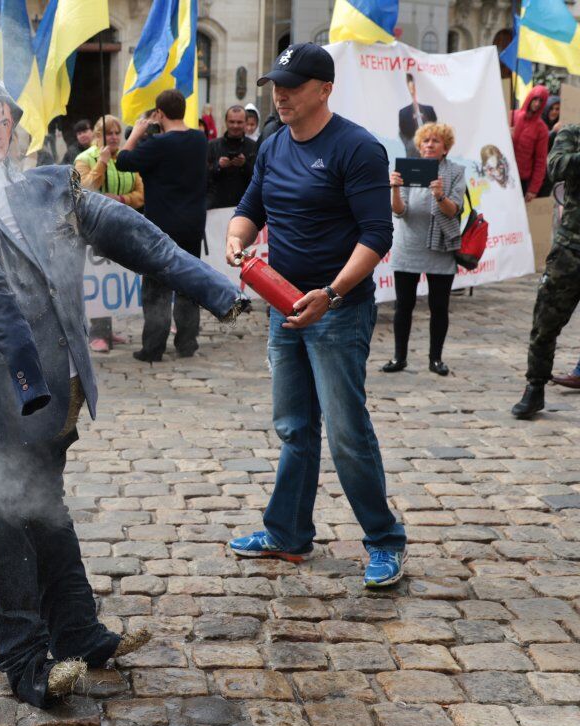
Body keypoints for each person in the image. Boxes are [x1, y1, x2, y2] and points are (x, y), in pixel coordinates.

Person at [0, 73, 249, 710]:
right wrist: (26, 379)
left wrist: (214, 290)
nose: (2, 133)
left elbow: (137, 237)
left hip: (47, 394)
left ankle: (76, 630)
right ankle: (24, 661)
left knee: (45, 508)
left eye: (6, 121)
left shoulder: (44, 186)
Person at [224, 43, 407, 588]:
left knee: (347, 432)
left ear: (324, 90)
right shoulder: (274, 143)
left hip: (338, 311)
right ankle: (287, 533)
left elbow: (377, 235)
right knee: (294, 428)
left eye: (293, 85)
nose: (280, 94)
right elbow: (250, 209)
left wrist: (331, 291)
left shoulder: (358, 149)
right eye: (276, 84)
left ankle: (384, 540)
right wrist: (238, 241)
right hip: (284, 307)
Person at [116, 88, 209, 361]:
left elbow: (123, 161)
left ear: (159, 113)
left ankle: (153, 348)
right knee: (188, 286)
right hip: (192, 224)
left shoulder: (157, 145)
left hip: (161, 228)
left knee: (156, 289)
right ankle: (187, 343)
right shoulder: (200, 140)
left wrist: (136, 133)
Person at [383, 123, 465, 377]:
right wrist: (395, 189)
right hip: (408, 247)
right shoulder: (407, 169)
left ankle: (436, 359)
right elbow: (400, 211)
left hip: (440, 248)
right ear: (419, 146)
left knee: (439, 306)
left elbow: (455, 210)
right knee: (403, 306)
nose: (429, 145)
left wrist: (440, 196)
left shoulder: (455, 172)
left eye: (435, 141)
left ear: (445, 148)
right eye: (425, 141)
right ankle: (399, 357)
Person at [512, 122, 580, 417]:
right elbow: (556, 166)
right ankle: (535, 387)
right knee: (545, 323)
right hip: (570, 251)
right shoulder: (573, 134)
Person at [74, 115, 145, 353]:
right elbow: (83, 189)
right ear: (97, 137)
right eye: (108, 133)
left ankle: (109, 328)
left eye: (116, 133)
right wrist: (102, 163)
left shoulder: (127, 157)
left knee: (115, 278)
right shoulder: (84, 159)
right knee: (98, 277)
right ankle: (97, 331)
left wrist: (123, 199)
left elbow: (140, 193)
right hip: (95, 229)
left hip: (124, 226)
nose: (114, 137)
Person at [206, 105, 258, 209]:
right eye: (232, 122)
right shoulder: (212, 146)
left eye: (239, 122)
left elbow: (259, 179)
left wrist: (244, 165)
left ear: (245, 123)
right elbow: (203, 176)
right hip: (216, 206)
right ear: (226, 122)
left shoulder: (254, 147)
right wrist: (218, 166)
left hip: (244, 207)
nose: (235, 126)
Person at [512, 85, 550, 202]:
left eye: (541, 101)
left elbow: (540, 160)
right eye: (536, 99)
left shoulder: (541, 129)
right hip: (503, 173)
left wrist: (533, 189)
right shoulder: (513, 116)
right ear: (530, 98)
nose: (537, 104)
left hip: (522, 180)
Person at [398, 73, 437, 159]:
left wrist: (428, 142)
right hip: (412, 152)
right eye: (409, 87)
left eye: (413, 87)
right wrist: (411, 145)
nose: (412, 91)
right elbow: (402, 133)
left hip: (429, 154)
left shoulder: (428, 110)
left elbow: (436, 129)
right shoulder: (403, 112)